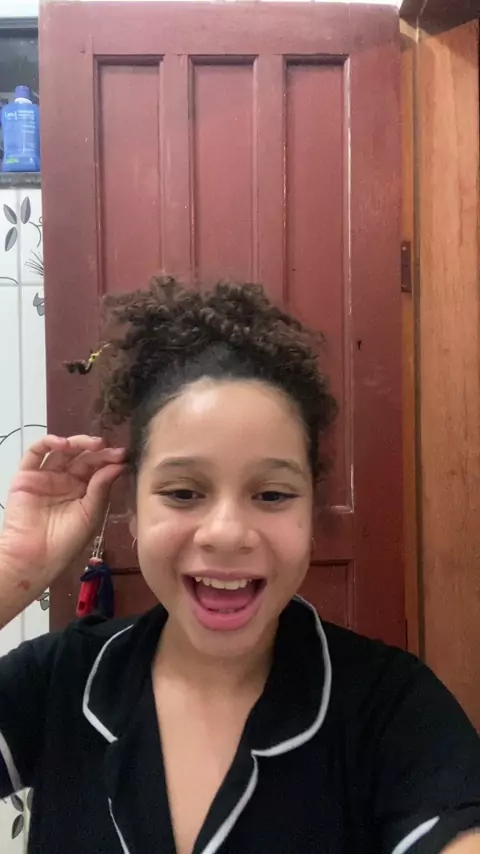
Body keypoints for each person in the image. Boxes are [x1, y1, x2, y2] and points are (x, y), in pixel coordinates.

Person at [0, 277, 479, 854]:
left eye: (272, 495)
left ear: (311, 513)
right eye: (183, 492)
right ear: (132, 511)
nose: (226, 533)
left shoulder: (393, 708)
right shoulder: (58, 679)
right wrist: (12, 568)